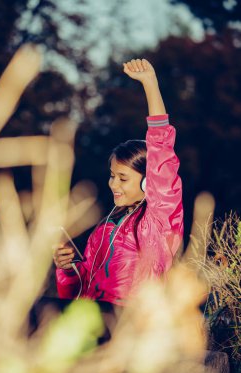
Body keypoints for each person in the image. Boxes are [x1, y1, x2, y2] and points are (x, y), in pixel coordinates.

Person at [53, 58, 183, 307]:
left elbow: (162, 151)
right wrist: (68, 268)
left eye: (123, 178)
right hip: (95, 318)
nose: (114, 184)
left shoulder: (158, 222)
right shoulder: (103, 230)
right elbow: (81, 287)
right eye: (112, 175)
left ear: (148, 183)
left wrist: (150, 83)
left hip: (131, 322)